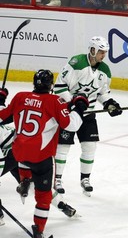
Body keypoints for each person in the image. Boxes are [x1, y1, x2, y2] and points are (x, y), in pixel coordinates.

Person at [0, 69, 88, 237]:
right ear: (51, 85)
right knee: (43, 196)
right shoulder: (55, 101)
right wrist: (79, 107)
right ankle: (39, 229)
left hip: (18, 153)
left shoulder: (20, 97)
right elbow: (71, 125)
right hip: (39, 157)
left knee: (24, 158)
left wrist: (0, 100)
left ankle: (25, 179)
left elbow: (3, 115)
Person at [53, 36, 122, 196]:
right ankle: (57, 179)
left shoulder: (105, 70)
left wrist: (109, 104)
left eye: (105, 52)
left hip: (88, 114)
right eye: (101, 52)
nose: (103, 55)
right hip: (68, 113)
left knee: (90, 146)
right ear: (92, 50)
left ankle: (85, 179)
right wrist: (74, 103)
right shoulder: (76, 63)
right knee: (63, 147)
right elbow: (59, 87)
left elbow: (102, 93)